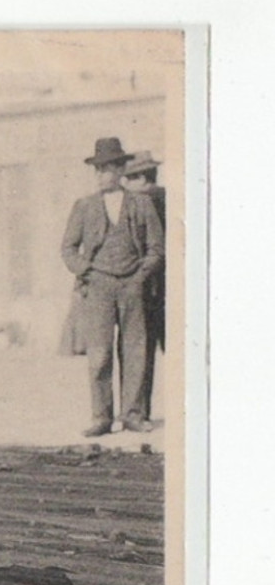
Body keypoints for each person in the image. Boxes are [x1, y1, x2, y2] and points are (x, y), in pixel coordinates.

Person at [61, 137, 164, 437]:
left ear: (121, 170)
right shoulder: (84, 206)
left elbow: (156, 248)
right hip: (99, 287)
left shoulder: (141, 203)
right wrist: (87, 271)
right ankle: (101, 417)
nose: (101, 176)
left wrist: (141, 275)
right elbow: (68, 249)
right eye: (97, 170)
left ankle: (133, 414)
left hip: (133, 285)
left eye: (107, 169)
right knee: (100, 354)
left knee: (136, 351)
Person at [121, 151, 166, 421]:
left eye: (130, 178)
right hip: (171, 288)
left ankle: (140, 412)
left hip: (149, 289)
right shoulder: (174, 198)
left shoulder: (142, 204)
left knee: (141, 353)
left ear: (141, 178)